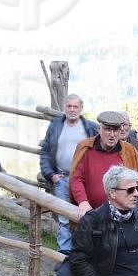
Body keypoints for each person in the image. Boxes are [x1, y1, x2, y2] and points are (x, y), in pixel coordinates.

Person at [39, 94, 98, 253]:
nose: (72, 109)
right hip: (62, 178)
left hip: (84, 180)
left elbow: (103, 146)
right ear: (64, 108)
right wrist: (51, 174)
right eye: (69, 106)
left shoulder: (90, 128)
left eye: (75, 106)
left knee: (85, 213)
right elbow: (45, 151)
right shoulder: (55, 126)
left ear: (81, 108)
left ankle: (82, 252)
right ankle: (64, 253)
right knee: (64, 217)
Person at [69, 110, 138, 221]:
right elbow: (76, 178)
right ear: (99, 129)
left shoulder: (129, 151)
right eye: (108, 129)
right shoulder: (85, 148)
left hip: (122, 216)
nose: (112, 135)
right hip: (91, 213)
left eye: (115, 130)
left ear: (120, 131)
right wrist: (83, 201)